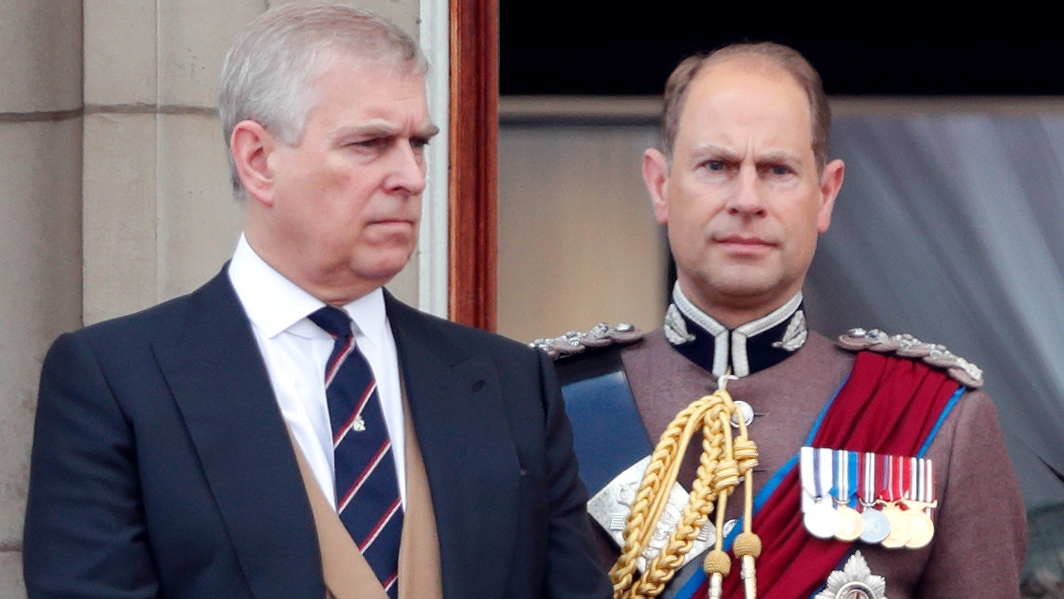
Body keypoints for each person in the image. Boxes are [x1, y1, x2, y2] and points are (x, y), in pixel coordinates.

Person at [22, 4, 610, 599]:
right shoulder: (116, 382)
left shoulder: (513, 385)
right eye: (370, 144)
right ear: (258, 160)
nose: (412, 176)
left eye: (418, 144)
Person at [539, 43, 1026, 599]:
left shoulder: (934, 417)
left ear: (825, 194)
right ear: (659, 184)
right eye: (716, 166)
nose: (747, 199)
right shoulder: (548, 402)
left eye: (777, 169)